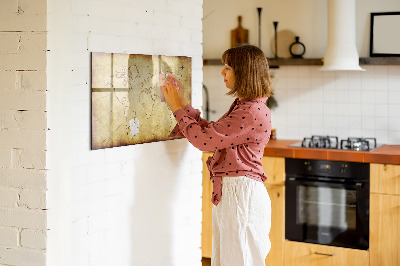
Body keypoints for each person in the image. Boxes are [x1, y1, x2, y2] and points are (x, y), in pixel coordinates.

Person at [161, 44, 273, 266]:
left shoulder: (250, 111)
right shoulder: (246, 106)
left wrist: (176, 108)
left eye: (228, 67)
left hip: (241, 195)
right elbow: (212, 133)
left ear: (244, 72)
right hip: (236, 193)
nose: (222, 72)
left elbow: (204, 141)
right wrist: (182, 103)